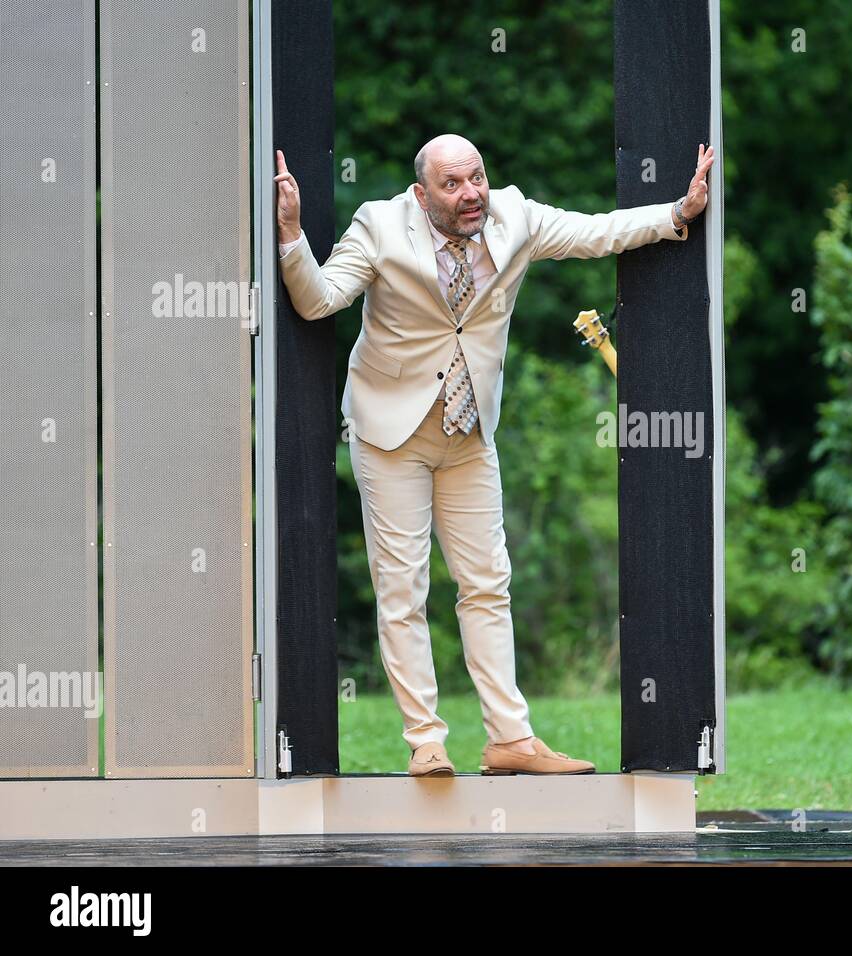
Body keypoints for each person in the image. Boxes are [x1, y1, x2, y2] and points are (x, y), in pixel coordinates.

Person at [274, 134, 715, 776]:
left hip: (469, 435)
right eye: (451, 185)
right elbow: (317, 300)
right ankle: (425, 741)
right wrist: (291, 234)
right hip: (389, 433)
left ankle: (510, 739)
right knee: (403, 592)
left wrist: (677, 213)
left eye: (476, 177)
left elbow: (596, 232)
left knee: (488, 584)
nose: (470, 193)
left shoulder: (516, 218)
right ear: (422, 194)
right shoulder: (378, 225)